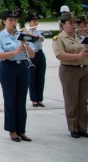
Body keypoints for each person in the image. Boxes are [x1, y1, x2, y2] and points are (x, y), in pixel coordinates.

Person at [0, 10, 34, 142]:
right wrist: (15, 51)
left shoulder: (21, 35)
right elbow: (0, 54)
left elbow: (32, 55)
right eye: (10, 20)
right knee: (10, 99)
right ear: (4, 21)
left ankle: (21, 130)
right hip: (8, 67)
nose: (13, 22)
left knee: (21, 99)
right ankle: (12, 130)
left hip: (22, 67)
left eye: (15, 20)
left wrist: (26, 46)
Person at [52, 10, 88, 138]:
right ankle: (73, 127)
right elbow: (59, 54)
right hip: (69, 70)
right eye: (70, 23)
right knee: (72, 100)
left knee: (83, 100)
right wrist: (78, 55)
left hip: (84, 69)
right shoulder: (59, 38)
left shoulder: (80, 35)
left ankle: (83, 127)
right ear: (63, 24)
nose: (73, 25)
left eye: (74, 23)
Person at [23, 13, 47, 108]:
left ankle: (40, 99)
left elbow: (40, 39)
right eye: (34, 21)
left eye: (37, 21)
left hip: (39, 54)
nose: (36, 22)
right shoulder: (24, 32)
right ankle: (34, 99)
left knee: (40, 77)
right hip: (30, 55)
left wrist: (28, 33)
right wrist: (25, 33)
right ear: (29, 22)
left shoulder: (39, 31)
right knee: (32, 78)